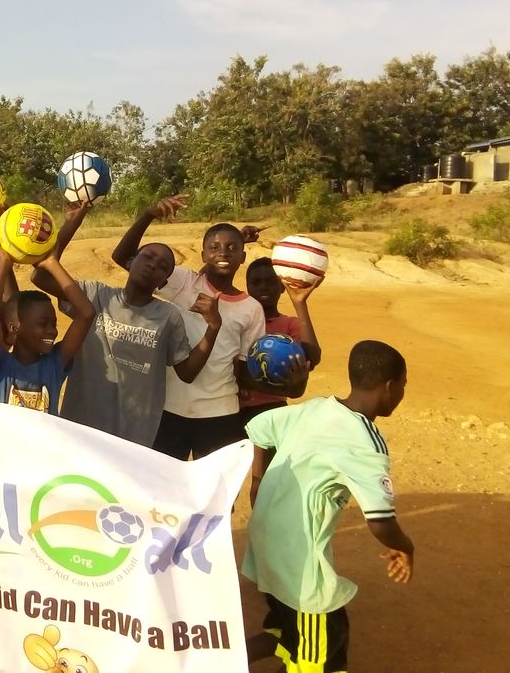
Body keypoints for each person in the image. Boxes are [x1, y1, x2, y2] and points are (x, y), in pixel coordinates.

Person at [242, 340, 415, 673]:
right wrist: (406, 547)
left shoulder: (318, 407)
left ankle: (214, 662)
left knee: (290, 634)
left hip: (266, 543)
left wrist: (259, 479)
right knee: (320, 655)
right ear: (389, 386)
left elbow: (261, 427)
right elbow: (380, 521)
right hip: (298, 565)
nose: (402, 393)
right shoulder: (365, 441)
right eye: (403, 385)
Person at [33, 202, 222, 447]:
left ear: (163, 281)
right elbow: (41, 276)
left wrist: (213, 328)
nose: (153, 264)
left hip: (134, 439)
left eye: (163, 266)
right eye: (148, 257)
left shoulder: (168, 315)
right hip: (81, 429)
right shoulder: (95, 295)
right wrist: (72, 224)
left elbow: (187, 373)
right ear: (130, 262)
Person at [111, 195, 265, 459]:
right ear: (203, 254)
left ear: (243, 256)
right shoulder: (184, 282)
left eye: (231, 248)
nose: (223, 253)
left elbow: (243, 366)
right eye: (214, 247)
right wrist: (148, 214)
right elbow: (124, 257)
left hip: (220, 413)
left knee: (214, 486)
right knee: (161, 483)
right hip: (169, 409)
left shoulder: (252, 309)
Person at [0, 232, 95, 413]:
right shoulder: (0, 361)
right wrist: (4, 262)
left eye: (53, 324)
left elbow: (87, 314)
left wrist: (52, 263)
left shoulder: (54, 364)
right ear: (14, 328)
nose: (52, 331)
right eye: (43, 324)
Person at [240, 256, 323, 425]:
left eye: (271, 282)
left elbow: (313, 357)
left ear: (282, 287)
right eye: (256, 282)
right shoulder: (238, 322)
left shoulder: (289, 324)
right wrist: (291, 390)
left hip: (273, 412)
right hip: (234, 411)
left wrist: (300, 303)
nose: (263, 287)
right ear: (247, 287)